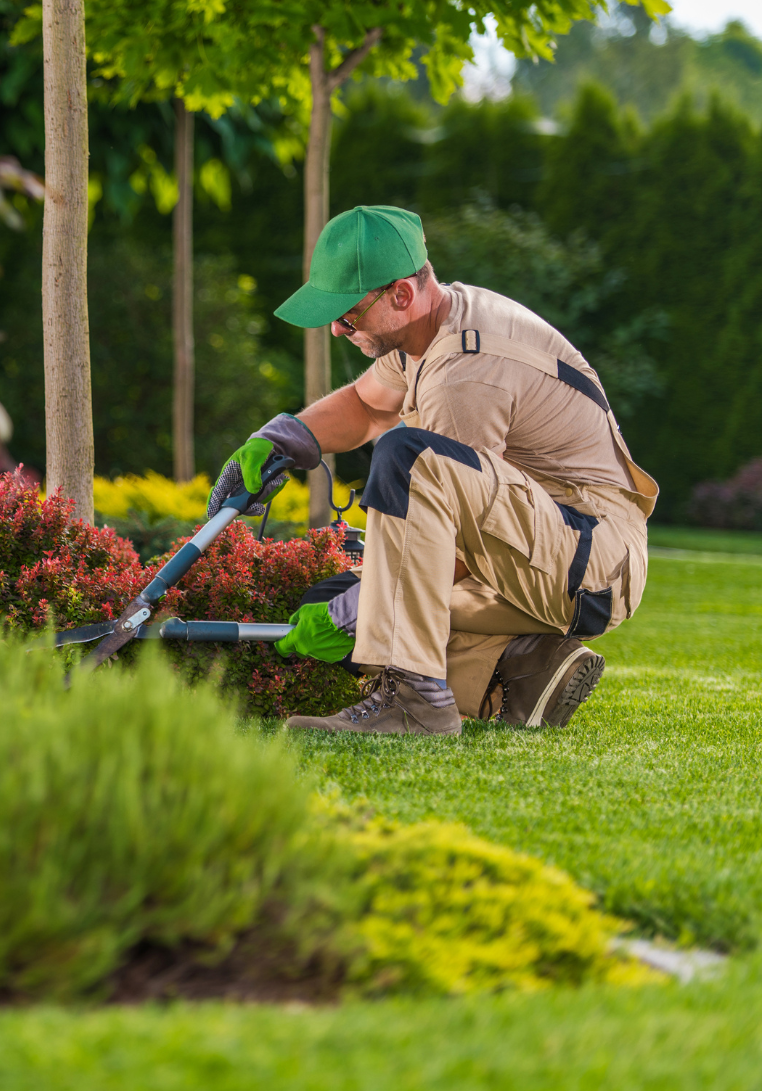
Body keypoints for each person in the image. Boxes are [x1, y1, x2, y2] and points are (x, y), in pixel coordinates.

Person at [207, 206, 657, 734]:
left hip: (590, 560)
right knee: (335, 597)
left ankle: (417, 701)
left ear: (401, 294)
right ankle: (527, 667)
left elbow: (456, 547)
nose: (336, 329)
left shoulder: (462, 376)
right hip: (540, 547)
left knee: (406, 464)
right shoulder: (429, 327)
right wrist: (282, 439)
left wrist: (357, 615)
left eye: (348, 314)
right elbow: (367, 405)